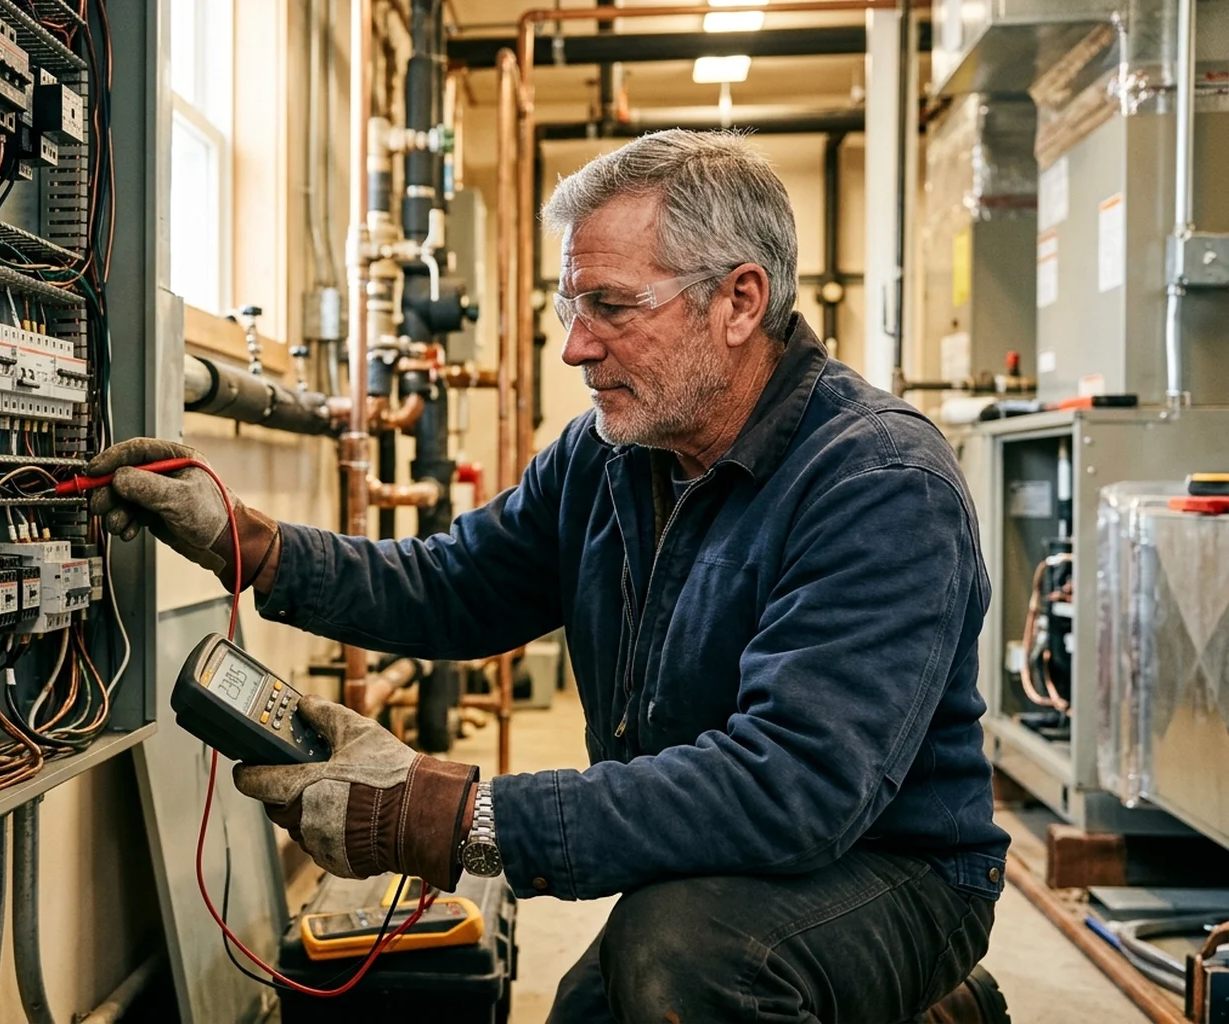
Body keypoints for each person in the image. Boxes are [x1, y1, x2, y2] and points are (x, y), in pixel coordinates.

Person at [89, 130, 1011, 1024]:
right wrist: (254, 547)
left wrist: (452, 817)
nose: (575, 347)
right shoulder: (609, 457)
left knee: (680, 956)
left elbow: (792, 786)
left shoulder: (880, 483)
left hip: (894, 869)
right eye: (570, 307)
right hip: (710, 860)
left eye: (611, 306)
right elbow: (455, 584)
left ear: (738, 301)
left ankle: (915, 992)